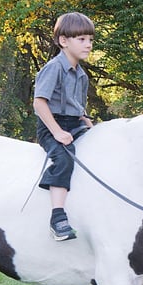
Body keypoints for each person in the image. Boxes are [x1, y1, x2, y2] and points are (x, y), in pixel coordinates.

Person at [33, 12, 95, 241]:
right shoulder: (54, 68)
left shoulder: (82, 75)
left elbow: (79, 109)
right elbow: (39, 103)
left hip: (74, 124)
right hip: (52, 125)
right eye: (82, 39)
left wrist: (90, 126)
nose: (88, 45)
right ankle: (57, 218)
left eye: (90, 39)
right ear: (63, 41)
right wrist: (57, 132)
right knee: (64, 158)